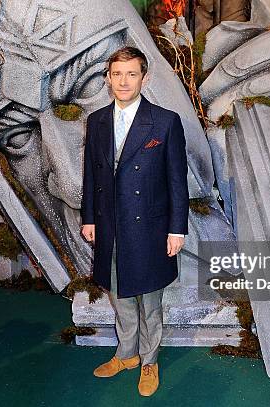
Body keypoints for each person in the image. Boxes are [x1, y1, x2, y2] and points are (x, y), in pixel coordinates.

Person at [80, 46, 189, 397]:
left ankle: (150, 361)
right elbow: (91, 175)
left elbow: (177, 180)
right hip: (110, 225)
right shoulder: (95, 121)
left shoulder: (165, 121)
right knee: (119, 294)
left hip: (150, 228)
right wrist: (88, 218)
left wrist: (177, 228)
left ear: (144, 77)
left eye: (131, 74)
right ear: (108, 78)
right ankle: (126, 354)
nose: (123, 81)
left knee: (150, 304)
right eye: (116, 73)